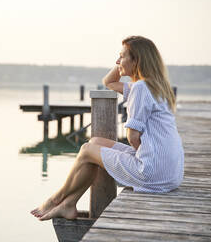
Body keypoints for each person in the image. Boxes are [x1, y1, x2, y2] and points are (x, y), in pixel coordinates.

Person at [30, 36, 184, 221]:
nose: (117, 61)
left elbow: (132, 136)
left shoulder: (141, 88)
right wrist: (122, 64)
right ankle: (68, 204)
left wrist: (137, 155)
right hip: (170, 173)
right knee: (94, 143)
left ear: (137, 60)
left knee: (87, 150)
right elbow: (108, 82)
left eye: (122, 57)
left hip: (153, 174)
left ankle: (56, 199)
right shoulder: (156, 86)